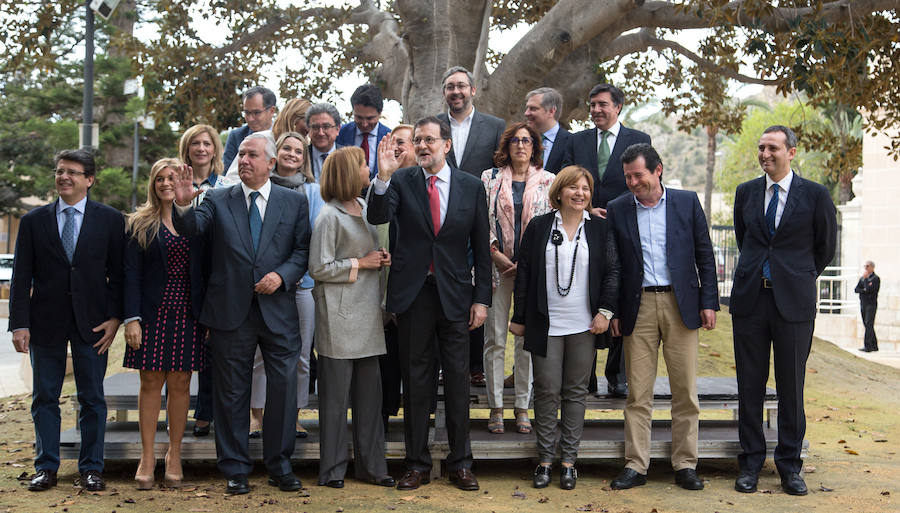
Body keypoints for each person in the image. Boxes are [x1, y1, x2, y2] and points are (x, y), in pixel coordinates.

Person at [172, 132, 311, 495]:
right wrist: (184, 206)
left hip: (278, 312)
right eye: (242, 155)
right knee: (232, 394)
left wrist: (281, 276)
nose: (244, 160)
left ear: (270, 163)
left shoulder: (293, 203)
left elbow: (301, 253)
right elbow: (193, 229)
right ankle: (235, 468)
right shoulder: (217, 199)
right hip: (229, 312)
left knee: (282, 392)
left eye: (252, 155)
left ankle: (280, 466)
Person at [368, 117, 491, 491]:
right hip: (414, 295)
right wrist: (383, 175)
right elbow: (376, 215)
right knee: (417, 382)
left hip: (456, 296)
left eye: (430, 140)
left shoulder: (471, 187)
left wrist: (481, 299)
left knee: (457, 382)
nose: (422, 146)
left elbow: (482, 247)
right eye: (417, 140)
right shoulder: (402, 182)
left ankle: (461, 463)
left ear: (446, 146)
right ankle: (416, 464)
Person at [9, 148, 125, 492]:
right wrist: (19, 323)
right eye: (60, 171)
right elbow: (21, 276)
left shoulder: (110, 219)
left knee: (93, 398)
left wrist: (116, 318)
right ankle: (46, 467)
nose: (64, 177)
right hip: (45, 322)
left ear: (89, 180)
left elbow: (119, 273)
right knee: (45, 397)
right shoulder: (34, 221)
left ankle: (91, 467)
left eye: (73, 172)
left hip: (94, 324)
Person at [730, 125, 837, 496]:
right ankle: (750, 463)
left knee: (791, 387)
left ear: (791, 152)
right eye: (761, 148)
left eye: (772, 148)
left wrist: (797, 277)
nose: (765, 154)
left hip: (793, 304)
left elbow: (824, 248)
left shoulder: (816, 195)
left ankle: (790, 465)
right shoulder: (745, 193)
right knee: (750, 387)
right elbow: (746, 239)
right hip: (750, 303)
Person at [605, 144, 719, 491]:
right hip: (636, 307)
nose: (632, 182)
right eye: (627, 176)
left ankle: (685, 464)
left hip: (680, 304)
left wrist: (709, 302)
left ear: (658, 170)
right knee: (638, 393)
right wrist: (612, 311)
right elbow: (614, 266)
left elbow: (704, 253)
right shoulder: (618, 208)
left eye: (638, 174)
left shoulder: (686, 202)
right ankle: (636, 465)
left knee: (685, 391)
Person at [509, 165, 619, 491]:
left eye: (585, 189)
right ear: (559, 191)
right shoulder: (541, 226)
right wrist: (520, 318)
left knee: (575, 392)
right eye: (573, 188)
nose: (580, 194)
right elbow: (525, 272)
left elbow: (613, 272)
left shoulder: (599, 229)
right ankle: (545, 460)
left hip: (585, 324)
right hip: (547, 323)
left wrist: (605, 312)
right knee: (546, 390)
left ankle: (569, 462)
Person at [309, 146, 395, 488]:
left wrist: (379, 257)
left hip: (368, 317)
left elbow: (369, 253)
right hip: (339, 318)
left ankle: (372, 468)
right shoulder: (328, 216)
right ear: (347, 172)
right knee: (334, 404)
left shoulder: (363, 207)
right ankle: (331, 472)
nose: (367, 167)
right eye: (362, 164)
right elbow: (318, 267)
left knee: (369, 402)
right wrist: (362, 263)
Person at [123, 158, 209, 489]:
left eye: (171, 177)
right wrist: (132, 318)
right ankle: (147, 457)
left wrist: (207, 315)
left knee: (181, 383)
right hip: (151, 312)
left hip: (188, 311)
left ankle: (174, 454)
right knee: (149, 382)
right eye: (159, 178)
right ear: (152, 184)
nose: (165, 183)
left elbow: (207, 268)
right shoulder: (139, 222)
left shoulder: (198, 219)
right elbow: (131, 274)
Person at [563, 83, 651, 399]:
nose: (596, 110)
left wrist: (614, 210)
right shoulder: (577, 140)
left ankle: (617, 375)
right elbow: (567, 180)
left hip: (624, 227)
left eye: (602, 104)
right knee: (587, 294)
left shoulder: (638, 140)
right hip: (584, 227)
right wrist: (587, 208)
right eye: (592, 105)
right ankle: (584, 375)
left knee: (621, 297)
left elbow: (642, 182)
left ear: (618, 107)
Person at [480, 122, 555, 435]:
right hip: (497, 268)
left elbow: (553, 224)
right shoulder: (490, 179)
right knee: (494, 338)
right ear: (507, 146)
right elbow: (479, 220)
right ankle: (495, 406)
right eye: (515, 141)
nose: (521, 146)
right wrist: (496, 255)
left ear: (534, 146)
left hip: (532, 271)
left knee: (525, 339)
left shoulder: (550, 182)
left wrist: (526, 261)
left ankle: (522, 406)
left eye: (527, 141)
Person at [249, 131, 325, 439]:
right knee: (258, 355)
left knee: (302, 354)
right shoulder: (259, 187)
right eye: (286, 148)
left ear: (304, 158)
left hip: (302, 285)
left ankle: (293, 415)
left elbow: (311, 238)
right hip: (264, 285)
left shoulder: (313, 192)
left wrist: (288, 273)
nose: (292, 154)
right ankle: (257, 416)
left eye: (298, 150)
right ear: (275, 154)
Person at [436, 65, 506, 387]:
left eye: (461, 86)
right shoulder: (434, 127)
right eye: (450, 87)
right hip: (439, 219)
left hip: (480, 217)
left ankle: (474, 365)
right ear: (445, 92)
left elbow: (500, 172)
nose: (456, 92)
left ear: (473, 90)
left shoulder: (494, 127)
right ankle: (442, 363)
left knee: (477, 287)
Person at [178, 124, 227, 437]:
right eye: (194, 143)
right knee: (179, 349)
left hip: (212, 269)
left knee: (211, 348)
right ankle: (176, 413)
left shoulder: (224, 185)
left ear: (215, 149)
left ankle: (205, 413)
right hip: (179, 269)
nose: (201, 148)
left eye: (206, 143)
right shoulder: (173, 178)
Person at [376, 124, 418, 431]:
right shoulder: (380, 183)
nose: (398, 148)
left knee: (416, 361)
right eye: (393, 143)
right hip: (380, 285)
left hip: (419, 289)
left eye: (405, 142)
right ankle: (383, 416)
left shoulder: (431, 185)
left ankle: (418, 423)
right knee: (385, 359)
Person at [336, 84, 392, 179]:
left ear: (380, 112)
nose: (364, 124)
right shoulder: (340, 134)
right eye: (359, 117)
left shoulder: (390, 137)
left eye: (370, 118)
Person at [224, 86, 278, 169]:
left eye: (256, 113)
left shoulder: (282, 136)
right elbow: (227, 176)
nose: (250, 118)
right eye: (247, 113)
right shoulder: (236, 137)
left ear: (272, 111)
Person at [524, 87, 572, 174]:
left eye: (533, 108)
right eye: (527, 108)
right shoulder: (520, 139)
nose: (526, 113)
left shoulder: (572, 142)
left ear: (551, 111)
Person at [307, 103, 345, 181]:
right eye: (315, 127)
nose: (321, 133)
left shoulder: (351, 158)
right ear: (308, 129)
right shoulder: (300, 157)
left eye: (326, 127)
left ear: (337, 129)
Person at [855, 260, 880, 352]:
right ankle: (874, 345)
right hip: (863, 304)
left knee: (869, 324)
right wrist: (864, 289)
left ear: (872, 267)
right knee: (867, 324)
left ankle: (868, 346)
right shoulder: (862, 278)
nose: (865, 268)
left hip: (871, 304)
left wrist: (865, 283)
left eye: (867, 266)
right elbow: (856, 289)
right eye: (864, 266)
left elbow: (870, 290)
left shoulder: (875, 279)